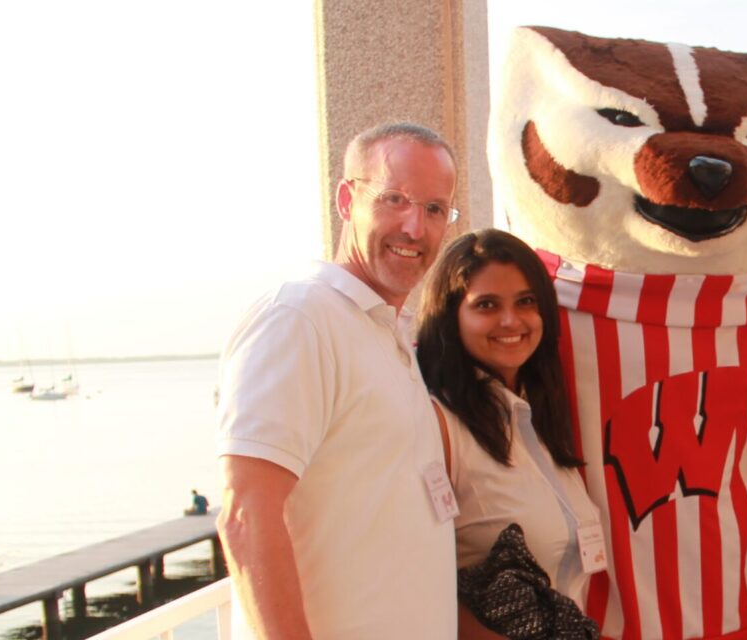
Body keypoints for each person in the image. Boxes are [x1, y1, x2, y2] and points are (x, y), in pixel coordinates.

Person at [215, 122, 460, 640]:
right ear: (348, 199)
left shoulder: (385, 333)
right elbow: (245, 515)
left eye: (435, 209)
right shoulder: (298, 317)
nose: (415, 227)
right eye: (395, 198)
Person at [416, 229, 601, 639]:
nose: (510, 320)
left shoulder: (535, 419)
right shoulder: (437, 425)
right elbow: (416, 581)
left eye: (526, 302)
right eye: (486, 305)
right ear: (451, 316)